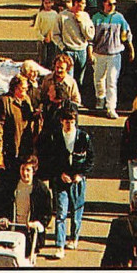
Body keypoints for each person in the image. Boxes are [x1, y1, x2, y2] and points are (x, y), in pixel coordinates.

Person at [39, 104, 94, 258]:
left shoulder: (83, 137)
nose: (69, 125)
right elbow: (50, 159)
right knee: (61, 212)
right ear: (61, 121)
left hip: (77, 181)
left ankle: (74, 238)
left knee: (76, 212)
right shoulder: (55, 137)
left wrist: (80, 174)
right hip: (61, 180)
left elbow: (90, 159)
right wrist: (60, 173)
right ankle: (60, 245)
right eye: (66, 122)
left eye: (72, 122)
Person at [0, 155, 53, 256]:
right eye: (22, 169)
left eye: (28, 170)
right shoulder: (12, 186)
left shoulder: (41, 190)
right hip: (13, 229)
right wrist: (4, 218)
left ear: (33, 172)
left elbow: (47, 212)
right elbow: (4, 205)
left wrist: (38, 223)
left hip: (30, 232)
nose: (25, 173)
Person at [89, 0, 132, 119]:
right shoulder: (96, 18)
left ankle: (111, 107)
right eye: (109, 4)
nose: (112, 6)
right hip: (99, 54)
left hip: (114, 54)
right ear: (103, 3)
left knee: (112, 81)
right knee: (99, 78)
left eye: (114, 3)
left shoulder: (119, 17)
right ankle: (100, 98)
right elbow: (90, 37)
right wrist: (90, 53)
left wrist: (131, 49)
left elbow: (127, 34)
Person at [0, 75, 35, 172]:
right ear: (16, 88)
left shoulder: (26, 99)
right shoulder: (5, 101)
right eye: (23, 88)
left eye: (26, 88)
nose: (26, 91)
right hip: (11, 148)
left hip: (25, 147)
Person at [56, 0, 95, 92]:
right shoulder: (62, 16)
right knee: (68, 78)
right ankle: (67, 97)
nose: (84, 6)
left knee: (79, 79)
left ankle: (77, 97)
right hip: (68, 50)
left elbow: (90, 35)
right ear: (76, 3)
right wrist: (62, 46)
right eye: (83, 3)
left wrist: (81, 22)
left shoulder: (85, 16)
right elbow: (55, 34)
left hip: (82, 51)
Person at [39, 53, 81, 127]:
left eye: (61, 68)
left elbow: (76, 101)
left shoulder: (71, 82)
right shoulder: (47, 79)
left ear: (67, 69)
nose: (58, 70)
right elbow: (42, 96)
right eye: (57, 67)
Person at [32, 0, 60, 69]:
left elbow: (56, 27)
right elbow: (37, 29)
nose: (48, 5)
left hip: (52, 40)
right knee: (42, 60)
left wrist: (51, 36)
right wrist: (43, 38)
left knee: (52, 60)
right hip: (42, 41)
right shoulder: (40, 14)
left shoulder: (55, 14)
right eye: (46, 3)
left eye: (49, 2)